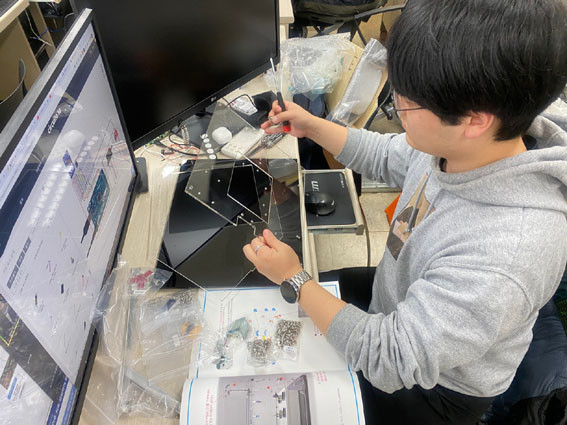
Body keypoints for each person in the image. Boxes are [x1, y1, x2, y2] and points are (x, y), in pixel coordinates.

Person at [243, 0, 567, 424]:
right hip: (397, 296)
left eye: (407, 103)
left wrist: (296, 279)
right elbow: (387, 154)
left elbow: (388, 358)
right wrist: (313, 126)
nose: (396, 110)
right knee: (270, 300)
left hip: (433, 390)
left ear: (474, 121)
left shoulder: (505, 253)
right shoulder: (466, 144)